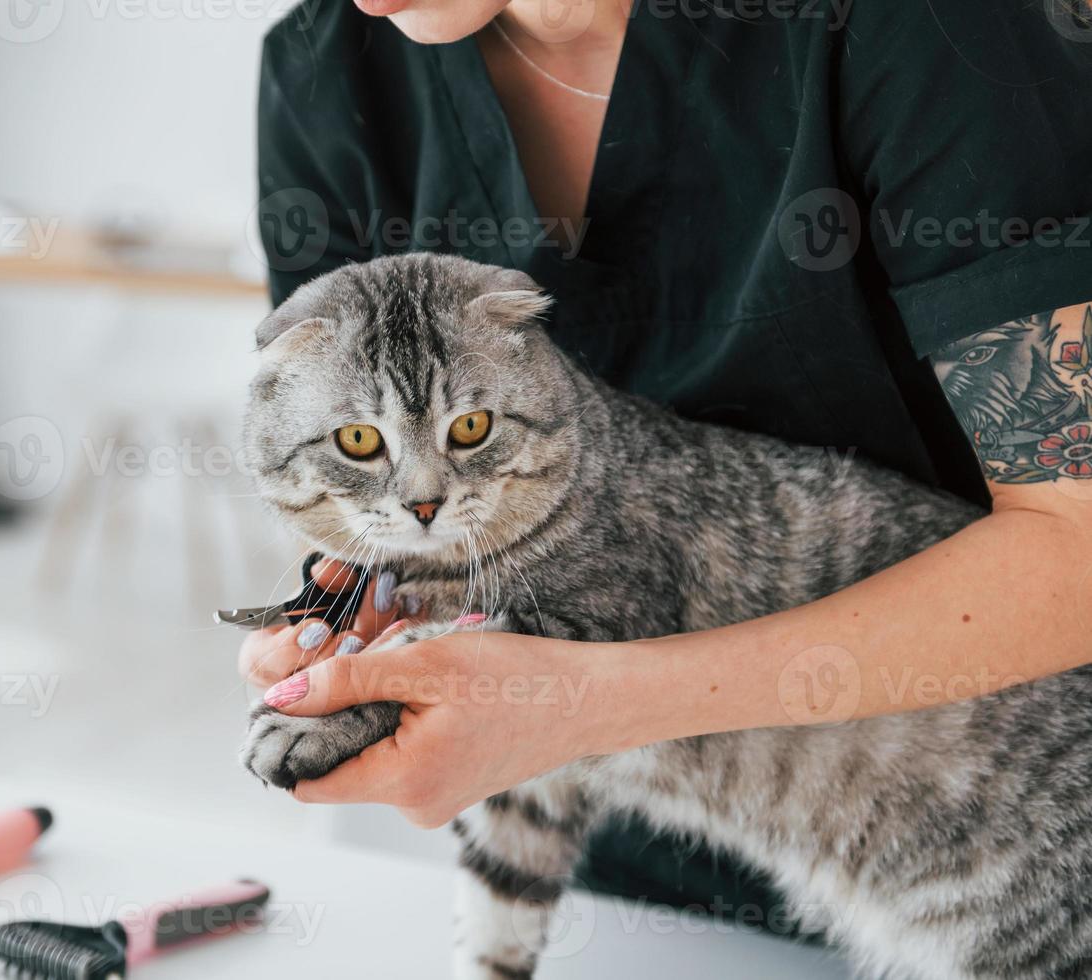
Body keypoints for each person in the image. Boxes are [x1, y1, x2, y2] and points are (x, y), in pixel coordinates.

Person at [241, 0, 1092, 930]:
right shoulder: (323, 66)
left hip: (995, 832)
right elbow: (361, 471)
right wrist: (350, 631)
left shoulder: (927, 27)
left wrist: (579, 703)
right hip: (607, 865)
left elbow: (1077, 548)